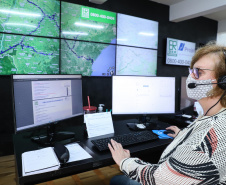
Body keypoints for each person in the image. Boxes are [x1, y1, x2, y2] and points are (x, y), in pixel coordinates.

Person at [108, 42, 226, 185]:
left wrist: (124, 161)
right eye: (191, 71)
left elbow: (158, 178)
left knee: (117, 180)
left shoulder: (204, 143)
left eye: (198, 72)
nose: (191, 78)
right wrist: (184, 136)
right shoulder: (215, 115)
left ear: (223, 82)